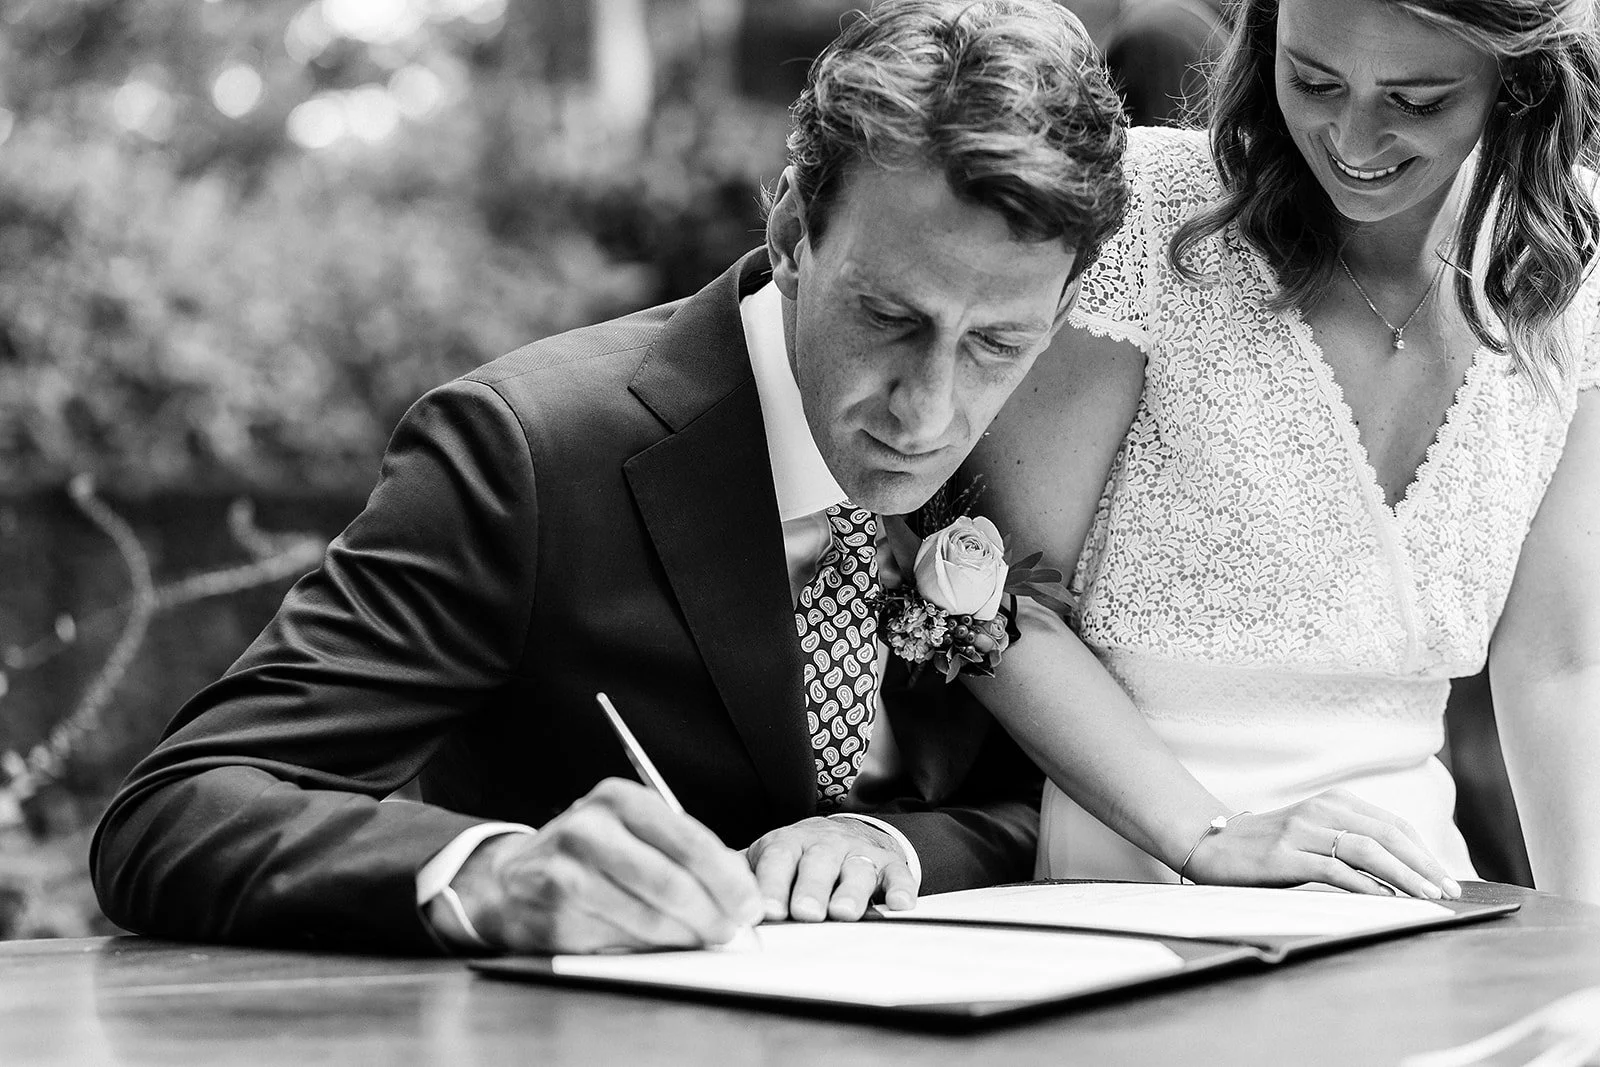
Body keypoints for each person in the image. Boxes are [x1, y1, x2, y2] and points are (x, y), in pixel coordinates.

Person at [90, 0, 1130, 955]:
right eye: (889, 319)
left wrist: (894, 846)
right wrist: (492, 873)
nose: (928, 410)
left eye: (995, 342)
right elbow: (176, 809)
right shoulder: (526, 452)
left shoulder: (1038, 454)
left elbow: (1048, 796)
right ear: (792, 236)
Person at [967, 0, 1600, 904]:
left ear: (1520, 80)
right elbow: (998, 605)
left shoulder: (1571, 256)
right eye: (1314, 79)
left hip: (1416, 891)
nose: (1351, 135)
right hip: (1137, 880)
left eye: (1416, 100)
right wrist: (1208, 835)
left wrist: (1586, 944)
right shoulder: (1150, 217)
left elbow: (1562, 665)